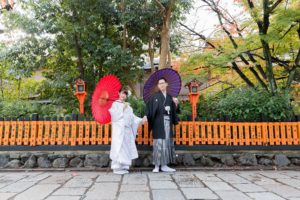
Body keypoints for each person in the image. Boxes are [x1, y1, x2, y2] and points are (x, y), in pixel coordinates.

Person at [143, 77, 179, 173]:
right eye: (159, 84)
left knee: (166, 143)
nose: (161, 85)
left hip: (167, 122)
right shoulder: (154, 96)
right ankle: (156, 165)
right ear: (158, 86)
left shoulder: (171, 97)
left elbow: (175, 112)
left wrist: (176, 104)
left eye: (163, 83)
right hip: (158, 123)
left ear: (166, 84)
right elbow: (149, 109)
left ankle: (164, 165)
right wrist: (146, 115)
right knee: (158, 143)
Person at [109, 88, 146, 174]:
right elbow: (114, 116)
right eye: (122, 93)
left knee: (126, 148)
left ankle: (124, 166)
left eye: (125, 94)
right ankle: (117, 167)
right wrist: (122, 109)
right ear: (118, 93)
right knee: (119, 147)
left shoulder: (128, 106)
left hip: (127, 131)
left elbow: (132, 118)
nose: (123, 95)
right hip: (119, 130)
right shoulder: (115, 104)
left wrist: (141, 120)